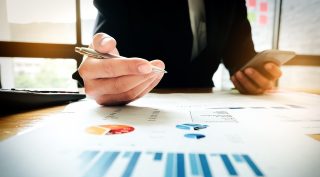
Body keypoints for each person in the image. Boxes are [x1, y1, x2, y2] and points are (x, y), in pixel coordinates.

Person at [73, 0, 282, 106]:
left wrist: (257, 75)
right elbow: (105, 52)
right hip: (138, 105)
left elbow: (242, 59)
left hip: (209, 107)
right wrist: (99, 74)